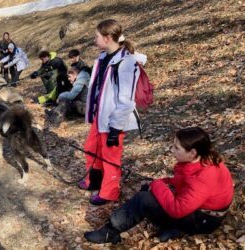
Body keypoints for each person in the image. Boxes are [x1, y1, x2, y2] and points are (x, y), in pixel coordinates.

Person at [84, 127, 234, 244]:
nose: (172, 150)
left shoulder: (203, 178)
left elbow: (177, 209)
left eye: (177, 148)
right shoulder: (205, 158)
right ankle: (175, 229)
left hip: (203, 221)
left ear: (193, 152)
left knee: (144, 199)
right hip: (198, 211)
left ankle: (111, 232)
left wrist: (157, 185)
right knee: (149, 190)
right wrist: (162, 183)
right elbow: (183, 182)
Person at [78, 19, 145, 205]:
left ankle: (109, 192)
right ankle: (94, 180)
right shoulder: (101, 58)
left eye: (96, 37)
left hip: (114, 120)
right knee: (91, 149)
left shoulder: (126, 62)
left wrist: (116, 128)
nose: (94, 40)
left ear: (107, 38)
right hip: (99, 116)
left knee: (110, 157)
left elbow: (126, 100)